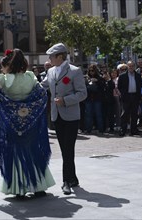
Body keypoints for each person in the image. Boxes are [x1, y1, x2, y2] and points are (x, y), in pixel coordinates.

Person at [0, 45, 55, 197]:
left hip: (10, 122)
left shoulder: (4, 79)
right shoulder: (30, 77)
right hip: (30, 121)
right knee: (33, 150)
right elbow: (41, 94)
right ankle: (39, 186)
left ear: (9, 65)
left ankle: (18, 188)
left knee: (14, 154)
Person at [41, 43, 87, 195]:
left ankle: (66, 181)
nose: (49, 59)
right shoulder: (51, 71)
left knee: (68, 149)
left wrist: (65, 100)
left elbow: (82, 93)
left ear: (60, 56)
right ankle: (72, 178)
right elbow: (43, 86)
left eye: (51, 56)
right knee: (65, 150)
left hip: (71, 116)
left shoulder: (75, 71)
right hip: (56, 116)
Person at [118, 60, 142, 136]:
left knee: (134, 114)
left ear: (134, 67)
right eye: (129, 66)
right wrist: (123, 95)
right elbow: (119, 87)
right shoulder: (122, 76)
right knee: (124, 114)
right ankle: (123, 130)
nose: (131, 67)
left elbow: (140, 86)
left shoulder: (138, 76)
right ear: (127, 67)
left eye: (132, 66)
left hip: (135, 96)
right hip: (126, 97)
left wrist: (139, 97)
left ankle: (133, 130)